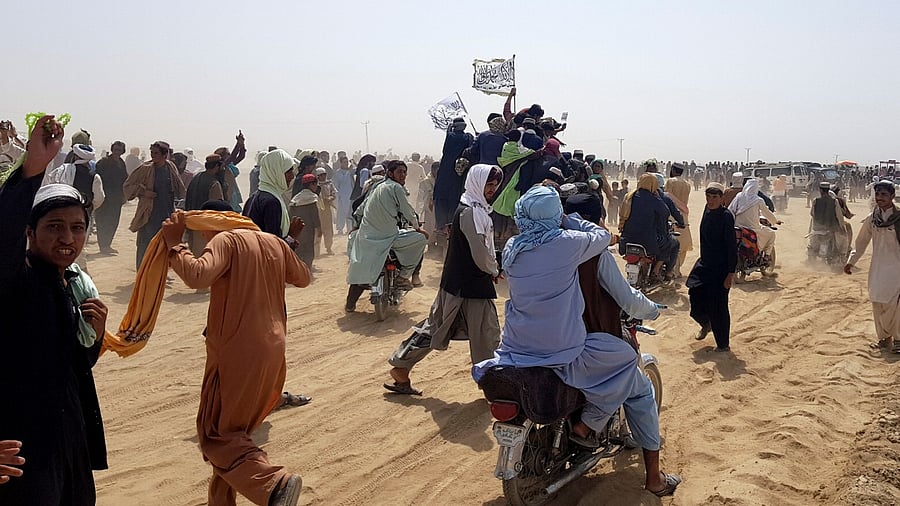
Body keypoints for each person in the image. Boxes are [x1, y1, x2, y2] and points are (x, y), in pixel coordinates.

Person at [472, 185, 681, 497]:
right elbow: (606, 241)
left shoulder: (514, 247)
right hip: (560, 350)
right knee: (626, 359)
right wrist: (571, 222)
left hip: (515, 348)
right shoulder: (571, 245)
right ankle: (641, 469)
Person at [160, 202, 309, 506]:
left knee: (216, 435)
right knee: (233, 433)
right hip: (272, 347)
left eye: (203, 233)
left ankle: (273, 485)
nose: (204, 242)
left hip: (238, 350)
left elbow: (197, 276)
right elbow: (303, 277)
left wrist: (175, 244)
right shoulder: (272, 242)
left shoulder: (225, 240)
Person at [0, 115, 109, 504]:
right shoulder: (16, 280)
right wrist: (32, 169)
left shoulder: (70, 283)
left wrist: (93, 339)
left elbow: (66, 365)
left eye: (77, 228)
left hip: (67, 439)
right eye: (54, 227)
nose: (68, 238)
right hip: (22, 446)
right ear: (29, 233)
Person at [385, 165, 503, 395]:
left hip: (460, 284)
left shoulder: (473, 208)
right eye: (489, 184)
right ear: (478, 183)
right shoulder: (471, 212)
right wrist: (494, 269)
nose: (492, 189)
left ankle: (402, 367)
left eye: (495, 185)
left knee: (443, 329)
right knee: (480, 334)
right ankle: (493, 386)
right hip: (469, 286)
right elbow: (480, 254)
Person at [345, 160, 428, 311]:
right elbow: (408, 211)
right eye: (399, 172)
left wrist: (356, 226)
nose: (403, 175)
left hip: (366, 237)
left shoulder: (377, 187)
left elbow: (361, 208)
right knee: (421, 239)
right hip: (388, 236)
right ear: (390, 173)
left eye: (404, 172)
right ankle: (404, 277)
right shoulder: (396, 188)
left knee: (361, 268)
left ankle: (350, 304)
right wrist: (418, 228)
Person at [844, 181, 900, 353]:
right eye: (878, 194)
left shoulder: (899, 218)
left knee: (895, 305)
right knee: (877, 301)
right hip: (877, 268)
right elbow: (861, 242)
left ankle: (898, 340)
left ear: (892, 196)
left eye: (884, 194)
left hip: (897, 268)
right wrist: (851, 261)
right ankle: (883, 338)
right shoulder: (872, 219)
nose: (880, 198)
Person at [687, 182, 738, 352]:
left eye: (715, 197)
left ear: (722, 198)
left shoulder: (726, 216)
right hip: (705, 264)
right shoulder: (706, 210)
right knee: (694, 295)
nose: (711, 200)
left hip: (721, 269)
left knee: (719, 306)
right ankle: (705, 323)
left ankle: (723, 345)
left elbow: (731, 246)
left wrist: (731, 273)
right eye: (708, 197)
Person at [619, 173, 679, 280]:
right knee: (672, 242)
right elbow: (665, 212)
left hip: (626, 240)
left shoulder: (629, 196)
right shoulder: (653, 199)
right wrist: (657, 197)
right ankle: (656, 270)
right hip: (648, 242)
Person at [433, 117, 474, 245]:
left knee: (441, 203)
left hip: (445, 177)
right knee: (455, 204)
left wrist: (449, 128)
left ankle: (441, 231)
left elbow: (445, 148)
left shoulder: (450, 136)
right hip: (458, 177)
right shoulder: (468, 137)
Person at [184, 154, 227, 255]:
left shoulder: (196, 177)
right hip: (205, 229)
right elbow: (217, 209)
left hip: (191, 224)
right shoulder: (214, 184)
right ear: (217, 167)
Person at [728, 178, 780, 260]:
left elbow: (730, 210)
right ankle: (766, 256)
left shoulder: (739, 196)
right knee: (771, 234)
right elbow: (767, 213)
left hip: (737, 227)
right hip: (753, 229)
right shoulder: (758, 200)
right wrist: (775, 221)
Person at [93, 141, 129, 254]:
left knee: (113, 221)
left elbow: (125, 180)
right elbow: (96, 179)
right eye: (115, 149)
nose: (117, 152)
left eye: (119, 150)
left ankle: (107, 245)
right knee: (102, 222)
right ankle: (103, 246)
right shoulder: (103, 162)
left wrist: (124, 195)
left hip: (116, 198)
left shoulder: (121, 163)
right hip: (104, 198)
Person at [666, 163, 693, 278]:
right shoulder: (687, 184)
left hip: (672, 214)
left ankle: (673, 269)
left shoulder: (670, 182)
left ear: (673, 170)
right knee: (682, 243)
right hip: (683, 215)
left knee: (672, 242)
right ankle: (678, 269)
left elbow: (666, 197)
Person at [289, 174, 321, 270]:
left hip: (297, 230)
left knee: (298, 250)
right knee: (309, 251)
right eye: (315, 184)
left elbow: (291, 216)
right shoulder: (313, 198)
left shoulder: (296, 199)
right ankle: (307, 271)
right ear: (311, 184)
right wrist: (319, 229)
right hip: (308, 230)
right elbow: (315, 216)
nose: (316, 187)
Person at [809, 181, 848, 259]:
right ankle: (842, 256)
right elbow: (839, 216)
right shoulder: (834, 201)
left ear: (821, 190)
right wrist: (842, 227)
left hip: (818, 228)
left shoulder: (815, 201)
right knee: (844, 239)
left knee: (811, 242)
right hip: (832, 229)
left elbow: (812, 213)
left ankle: (811, 253)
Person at [214, 131, 247, 212]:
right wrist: (238, 144)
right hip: (227, 194)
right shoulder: (221, 167)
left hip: (233, 192)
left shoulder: (229, 166)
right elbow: (233, 156)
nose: (229, 155)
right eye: (227, 154)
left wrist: (242, 144)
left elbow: (241, 156)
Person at [314, 167, 335, 255]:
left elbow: (333, 194)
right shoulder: (314, 185)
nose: (323, 177)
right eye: (320, 175)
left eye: (324, 175)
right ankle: (316, 251)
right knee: (317, 230)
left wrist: (329, 198)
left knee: (328, 229)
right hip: (317, 210)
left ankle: (329, 248)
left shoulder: (329, 184)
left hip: (327, 209)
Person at [332, 152, 354, 234]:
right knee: (341, 213)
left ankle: (349, 228)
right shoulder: (338, 173)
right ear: (341, 163)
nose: (346, 164)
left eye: (347, 162)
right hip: (341, 195)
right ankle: (340, 228)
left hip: (350, 195)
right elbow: (338, 183)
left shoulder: (350, 171)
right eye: (344, 162)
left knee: (350, 212)